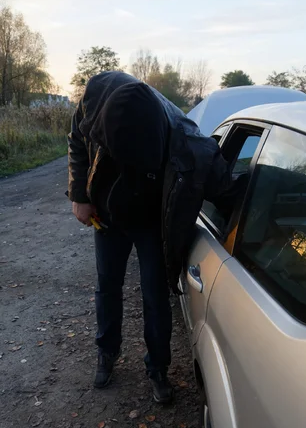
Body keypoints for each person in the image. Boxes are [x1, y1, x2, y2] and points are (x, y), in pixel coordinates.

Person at [67, 71, 230, 404]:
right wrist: (79, 194)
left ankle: (158, 368)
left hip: (151, 222)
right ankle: (106, 352)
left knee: (156, 296)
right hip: (108, 217)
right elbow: (76, 142)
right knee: (107, 285)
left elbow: (226, 190)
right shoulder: (96, 97)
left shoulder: (188, 142)